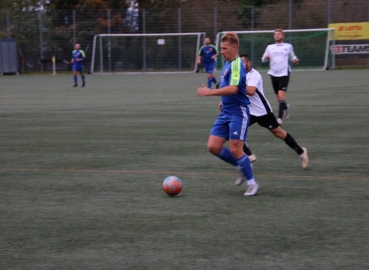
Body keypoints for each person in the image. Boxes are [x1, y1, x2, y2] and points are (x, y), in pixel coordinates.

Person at [197, 32, 258, 196]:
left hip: (238, 112)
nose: (222, 51)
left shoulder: (237, 64)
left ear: (234, 47)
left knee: (236, 149)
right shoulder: (228, 63)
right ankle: (241, 166)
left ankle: (252, 183)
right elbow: (228, 87)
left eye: (224, 48)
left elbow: (234, 88)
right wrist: (223, 101)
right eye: (221, 48)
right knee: (213, 146)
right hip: (226, 112)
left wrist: (210, 92)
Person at [238, 53, 309, 169]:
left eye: (242, 62)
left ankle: (301, 152)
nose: (240, 65)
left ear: (249, 63)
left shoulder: (253, 75)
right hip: (248, 112)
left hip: (262, 112)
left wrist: (235, 87)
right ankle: (249, 155)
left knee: (279, 133)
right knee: (234, 129)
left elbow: (250, 91)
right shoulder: (238, 76)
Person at [261, 29, 299, 125]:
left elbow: (292, 56)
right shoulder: (270, 47)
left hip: (284, 74)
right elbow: (263, 60)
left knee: (281, 96)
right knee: (279, 98)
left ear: (283, 36)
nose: (277, 35)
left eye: (279, 34)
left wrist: (295, 60)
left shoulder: (288, 46)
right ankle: (285, 107)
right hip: (273, 74)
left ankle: (279, 119)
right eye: (275, 34)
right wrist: (266, 58)